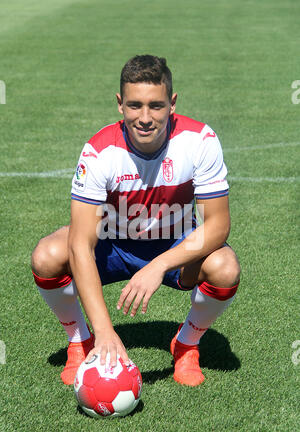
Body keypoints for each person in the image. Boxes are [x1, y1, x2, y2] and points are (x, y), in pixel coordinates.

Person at [31, 55, 240, 387]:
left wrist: (159, 265)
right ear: (120, 104)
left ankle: (186, 343)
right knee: (47, 256)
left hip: (176, 244)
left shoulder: (200, 141)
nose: (145, 117)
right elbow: (81, 244)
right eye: (135, 105)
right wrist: (104, 331)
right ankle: (80, 342)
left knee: (225, 268)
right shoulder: (99, 152)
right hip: (111, 244)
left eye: (155, 106)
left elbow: (217, 226)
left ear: (172, 104)